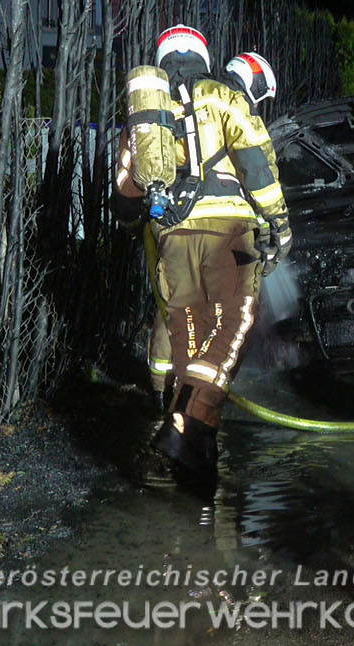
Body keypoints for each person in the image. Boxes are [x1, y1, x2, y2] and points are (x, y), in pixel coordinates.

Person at [114, 26, 290, 478]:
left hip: (173, 236)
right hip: (228, 234)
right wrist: (280, 225)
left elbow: (125, 197)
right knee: (229, 333)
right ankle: (180, 428)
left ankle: (196, 449)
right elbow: (256, 165)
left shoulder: (145, 117)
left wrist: (149, 222)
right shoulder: (221, 95)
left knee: (189, 335)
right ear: (203, 55)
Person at [139, 51, 282, 414]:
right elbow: (258, 176)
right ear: (255, 85)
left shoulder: (170, 104)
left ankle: (161, 395)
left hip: (172, 227)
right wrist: (278, 225)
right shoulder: (230, 105)